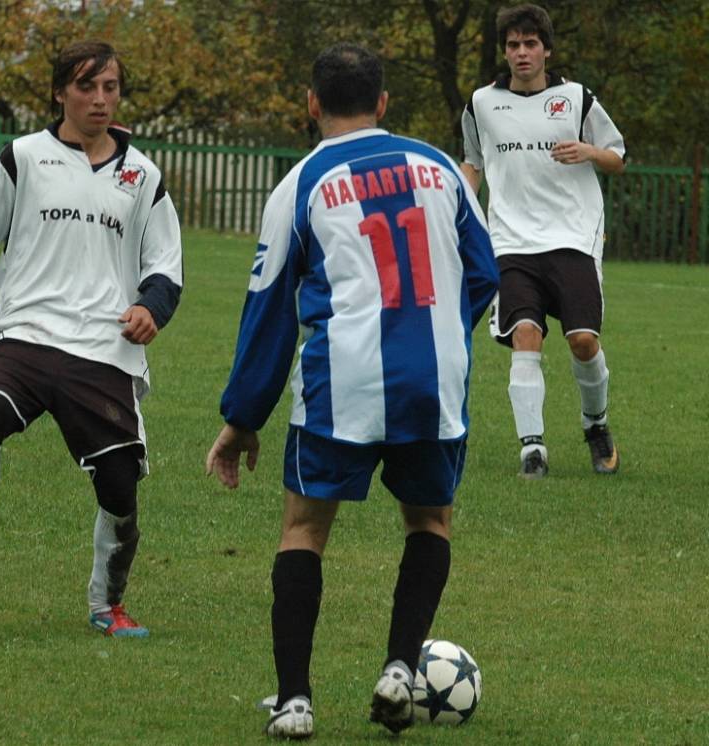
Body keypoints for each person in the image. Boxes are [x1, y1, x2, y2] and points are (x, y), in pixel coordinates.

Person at [206, 43, 498, 738]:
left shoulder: (301, 183)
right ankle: (400, 667)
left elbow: (268, 308)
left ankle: (295, 702)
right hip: (434, 380)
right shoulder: (439, 169)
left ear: (312, 105)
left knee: (304, 530)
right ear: (384, 103)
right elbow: (485, 273)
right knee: (429, 523)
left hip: (344, 382)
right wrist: (443, 333)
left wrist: (242, 418)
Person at [0, 41, 184, 638]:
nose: (99, 99)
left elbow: (167, 268)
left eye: (110, 87)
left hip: (103, 348)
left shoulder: (143, 175)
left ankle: (105, 605)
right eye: (87, 87)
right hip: (26, 334)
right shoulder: (22, 158)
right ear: (61, 91)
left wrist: (150, 308)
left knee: (120, 486)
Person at [460, 3, 626, 479]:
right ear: (505, 52)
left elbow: (619, 156)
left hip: (572, 235)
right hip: (510, 240)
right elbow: (474, 163)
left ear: (547, 49)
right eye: (513, 45)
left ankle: (596, 425)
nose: (521, 52)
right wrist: (457, 204)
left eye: (530, 43)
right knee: (524, 335)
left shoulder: (576, 99)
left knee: (581, 342)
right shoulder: (481, 103)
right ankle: (532, 449)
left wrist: (589, 151)